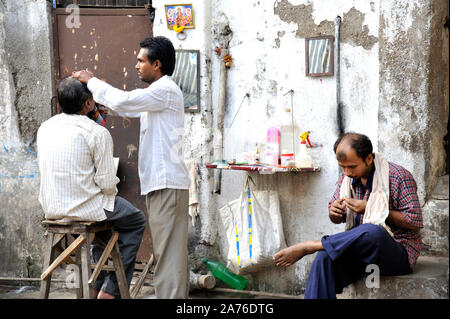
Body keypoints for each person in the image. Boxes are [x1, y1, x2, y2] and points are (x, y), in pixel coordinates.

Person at [73, 36, 191, 299]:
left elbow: (125, 101)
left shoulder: (166, 90)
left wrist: (90, 80)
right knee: (166, 255)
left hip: (167, 184)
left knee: (169, 258)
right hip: (162, 185)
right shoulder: (157, 95)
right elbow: (128, 107)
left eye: (141, 61)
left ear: (157, 64)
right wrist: (100, 105)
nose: (136, 66)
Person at [273, 132, 423, 299]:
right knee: (324, 257)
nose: (347, 172)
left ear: (368, 159)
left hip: (396, 253)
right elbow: (336, 218)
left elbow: (414, 221)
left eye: (351, 167)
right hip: (361, 254)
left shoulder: (398, 176)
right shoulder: (347, 178)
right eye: (342, 167)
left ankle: (311, 245)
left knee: (373, 232)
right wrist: (335, 213)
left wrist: (370, 208)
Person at [37, 77, 147, 299]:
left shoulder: (45, 128)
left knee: (104, 228)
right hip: (86, 208)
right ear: (88, 104)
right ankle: (111, 290)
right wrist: (108, 192)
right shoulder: (97, 133)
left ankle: (95, 286)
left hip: (52, 208)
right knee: (135, 220)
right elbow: (107, 184)